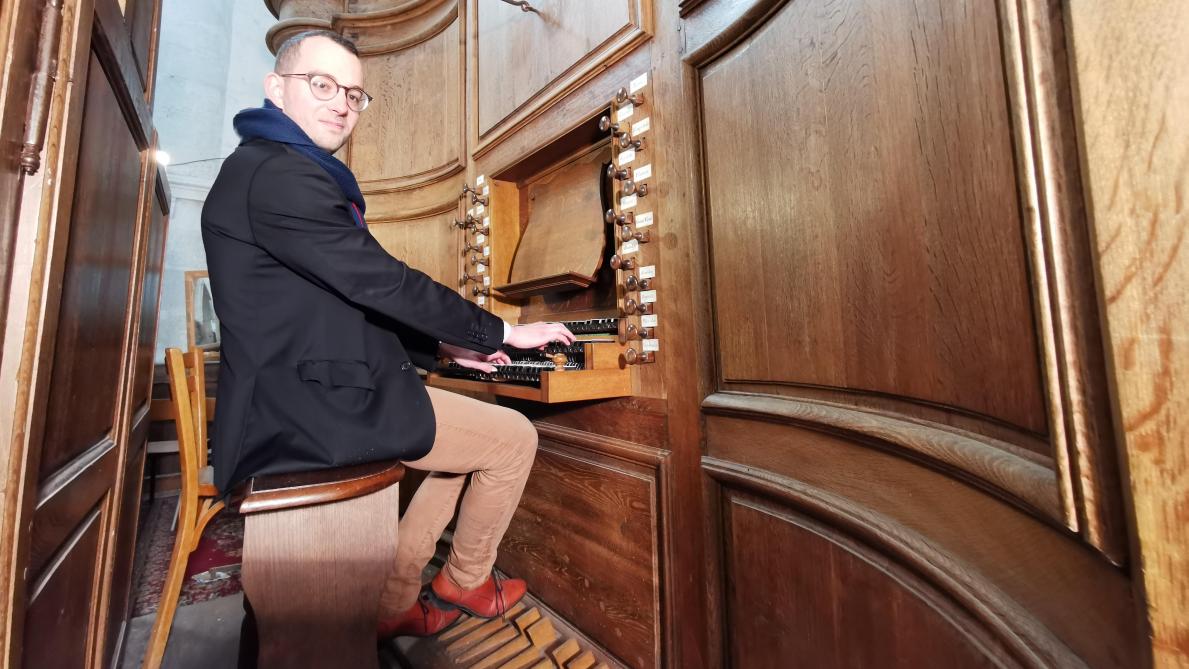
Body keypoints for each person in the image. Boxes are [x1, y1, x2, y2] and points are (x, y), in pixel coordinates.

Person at [200, 29, 574, 638]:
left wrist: (443, 344)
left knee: (475, 443)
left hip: (321, 390)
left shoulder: (273, 167)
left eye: (353, 93)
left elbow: (342, 299)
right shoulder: (279, 174)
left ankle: (398, 595)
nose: (341, 103)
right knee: (512, 438)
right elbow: (381, 283)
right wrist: (498, 330)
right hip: (311, 411)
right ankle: (465, 578)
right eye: (322, 85)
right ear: (276, 88)